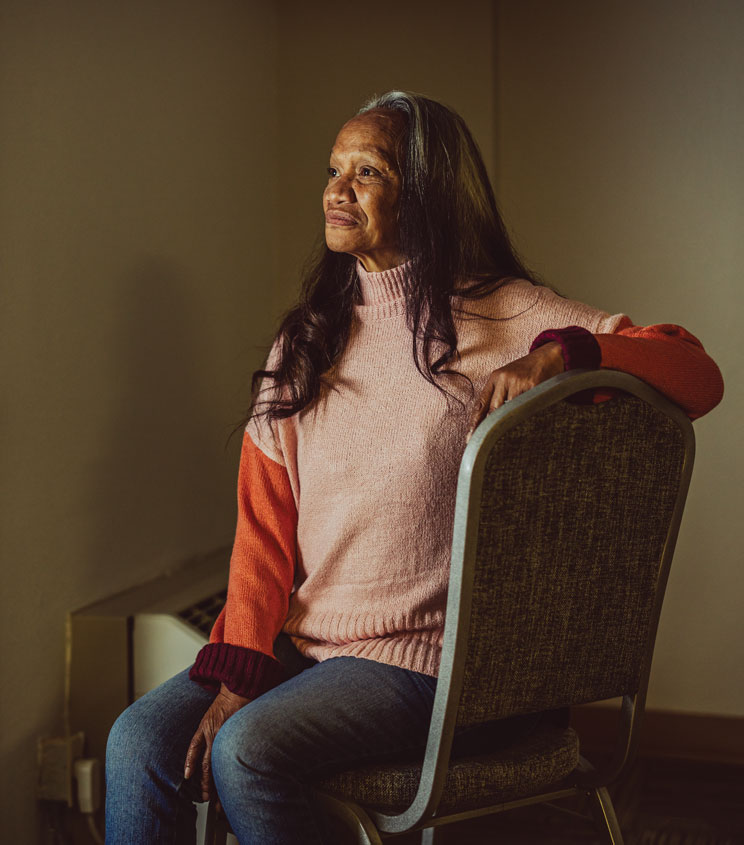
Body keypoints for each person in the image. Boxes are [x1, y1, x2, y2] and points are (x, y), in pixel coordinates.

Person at [103, 91, 724, 845]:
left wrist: (562, 353)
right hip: (309, 644)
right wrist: (240, 678)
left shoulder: (505, 314)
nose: (337, 187)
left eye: (369, 171)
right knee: (136, 741)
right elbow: (263, 538)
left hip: (423, 663)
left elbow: (695, 371)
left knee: (250, 750)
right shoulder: (304, 340)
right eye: (335, 168)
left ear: (424, 192)